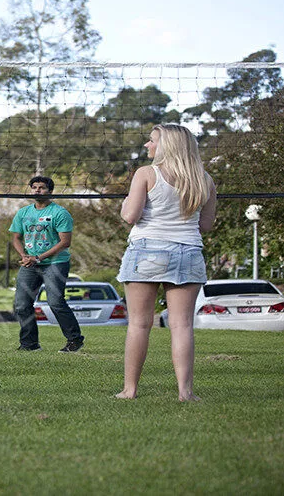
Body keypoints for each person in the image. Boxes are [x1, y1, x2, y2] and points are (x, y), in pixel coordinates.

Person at [116, 124, 216, 402]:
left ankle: (130, 390)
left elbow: (130, 216)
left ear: (167, 145)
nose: (147, 145)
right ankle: (186, 392)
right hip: (189, 251)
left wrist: (126, 204)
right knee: (182, 325)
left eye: (151, 140)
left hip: (148, 250)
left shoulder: (146, 174)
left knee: (139, 324)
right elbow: (207, 224)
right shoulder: (204, 179)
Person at [9, 176, 84, 352]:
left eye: (41, 188)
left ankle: (75, 340)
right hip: (30, 264)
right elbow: (16, 238)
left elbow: (65, 242)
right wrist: (25, 256)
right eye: (34, 187)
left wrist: (39, 258)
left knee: (55, 302)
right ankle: (30, 344)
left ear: (50, 191)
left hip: (55, 263)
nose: (37, 190)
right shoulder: (23, 212)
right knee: (21, 304)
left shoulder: (59, 213)